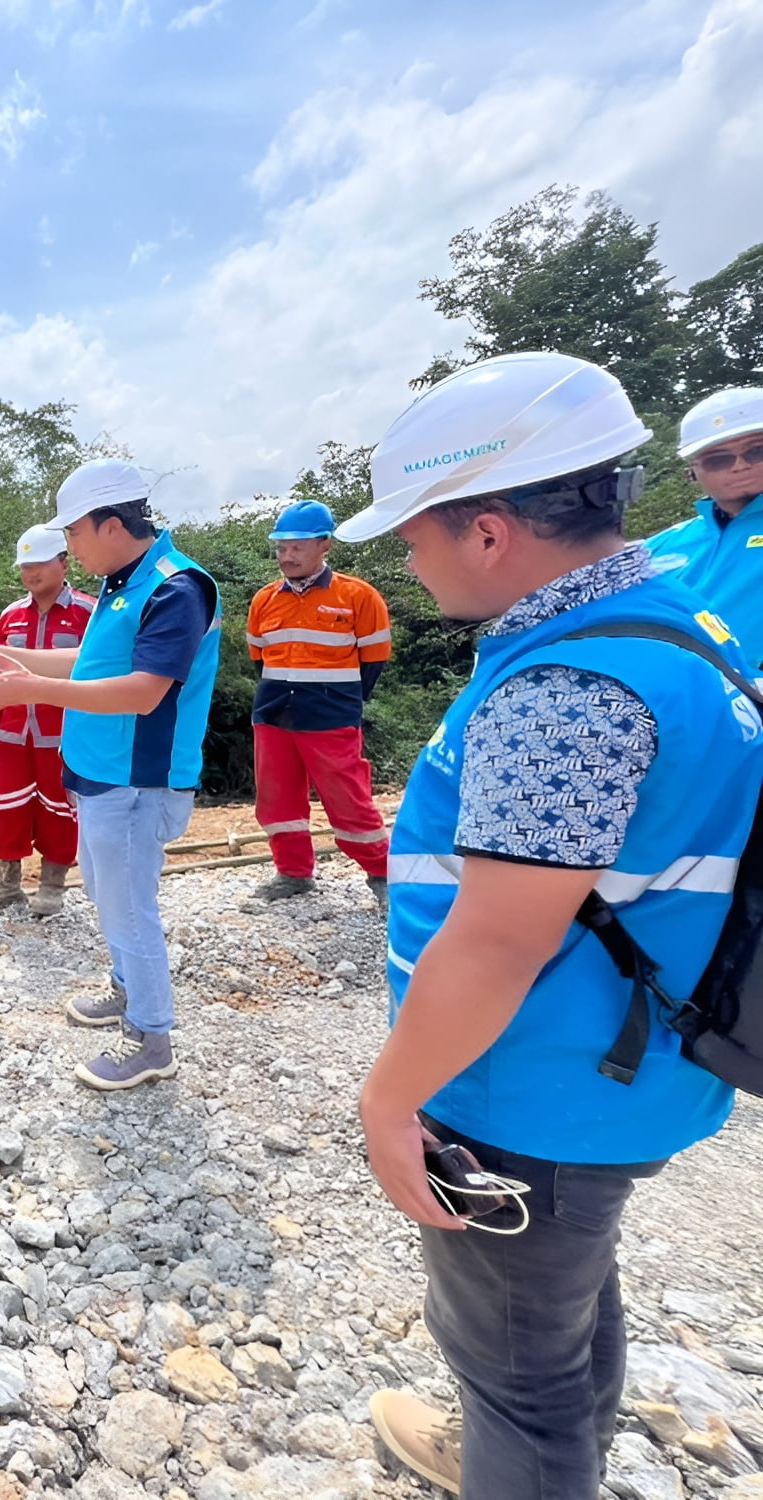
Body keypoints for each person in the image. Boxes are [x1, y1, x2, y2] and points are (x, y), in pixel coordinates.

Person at [339, 351, 763, 1498]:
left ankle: (517, 1462)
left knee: (514, 1372)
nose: (407, 562)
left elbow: (497, 940)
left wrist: (386, 1098)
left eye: (413, 535)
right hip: (613, 1070)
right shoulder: (667, 627)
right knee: (557, 1313)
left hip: (531, 1088)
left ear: (486, 531)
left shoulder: (564, 694)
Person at [0, 460, 221, 1090]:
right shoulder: (128, 583)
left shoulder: (177, 589)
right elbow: (87, 662)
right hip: (101, 774)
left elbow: (145, 692)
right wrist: (2, 654)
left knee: (129, 911)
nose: (69, 547)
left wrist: (28, 686)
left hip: (139, 779)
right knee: (108, 897)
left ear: (112, 525)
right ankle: (127, 991)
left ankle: (152, 1040)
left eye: (75, 534)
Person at [244, 499, 394, 903]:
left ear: (324, 545)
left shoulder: (358, 597)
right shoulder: (264, 600)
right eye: (281, 547)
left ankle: (383, 875)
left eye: (297, 547)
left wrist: (337, 700)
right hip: (274, 711)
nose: (286, 556)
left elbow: (373, 663)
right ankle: (293, 873)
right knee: (276, 798)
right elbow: (260, 659)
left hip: (331, 713)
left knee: (348, 798)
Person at [0, 525, 100, 916]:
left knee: (60, 809)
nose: (31, 573)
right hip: (11, 734)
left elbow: (101, 676)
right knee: (6, 808)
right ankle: (6, 888)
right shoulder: (10, 616)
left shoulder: (89, 613)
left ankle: (52, 888)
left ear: (63, 562)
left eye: (39, 563)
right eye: (25, 566)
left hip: (64, 736)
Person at [644, 387, 763, 664]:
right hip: (679, 701)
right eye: (718, 460)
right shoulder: (658, 547)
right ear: (693, 472)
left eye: (757, 451)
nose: (739, 466)